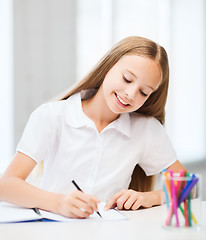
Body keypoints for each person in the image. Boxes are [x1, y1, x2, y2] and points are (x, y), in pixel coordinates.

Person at [0, 36, 185, 219]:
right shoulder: (52, 116)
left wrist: (150, 197)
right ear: (108, 66)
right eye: (127, 79)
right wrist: (59, 203)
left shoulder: (146, 130)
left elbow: (187, 186)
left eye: (143, 92)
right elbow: (6, 185)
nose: (130, 94)